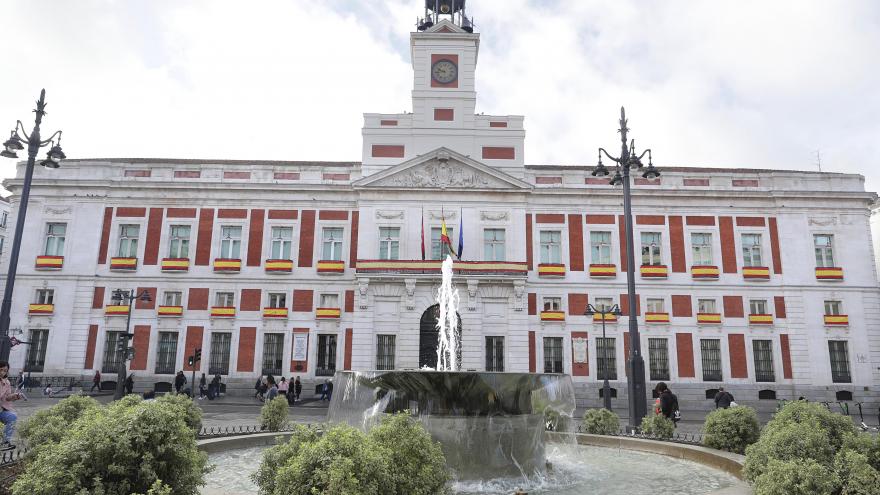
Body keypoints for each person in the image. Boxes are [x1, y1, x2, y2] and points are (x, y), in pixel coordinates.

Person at [0, 361, 23, 449]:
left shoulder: (6, 383)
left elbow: (7, 398)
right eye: (1, 370)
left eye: (5, 371)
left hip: (1, 410)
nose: (3, 372)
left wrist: (15, 396)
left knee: (12, 417)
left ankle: (5, 442)